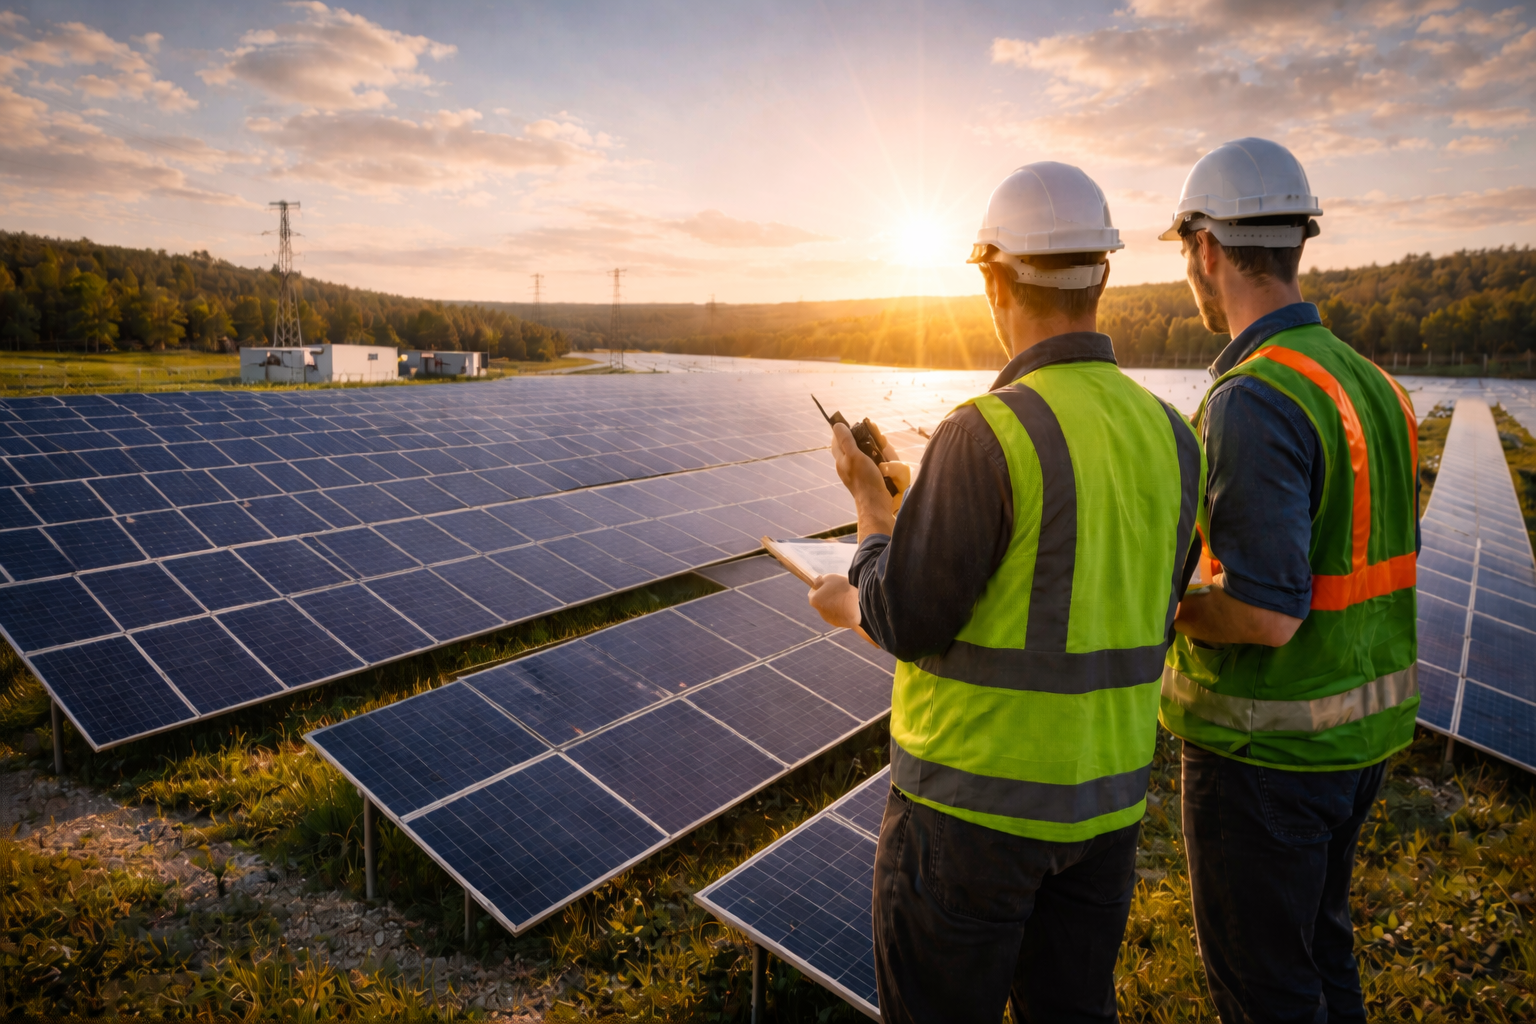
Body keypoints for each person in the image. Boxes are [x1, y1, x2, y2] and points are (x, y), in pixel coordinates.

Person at [808, 161, 1205, 1024]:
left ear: (993, 282)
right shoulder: (1172, 439)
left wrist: (875, 513)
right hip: (1103, 817)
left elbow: (905, 618)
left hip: (967, 820)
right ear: (1103, 274)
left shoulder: (985, 433)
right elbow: (1098, 577)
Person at [1157, 137, 1420, 1024]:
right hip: (1358, 739)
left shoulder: (1254, 397)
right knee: (1321, 951)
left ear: (1206, 248)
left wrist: (1164, 610)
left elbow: (1266, 615)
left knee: (1266, 988)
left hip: (1267, 754)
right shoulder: (1371, 382)